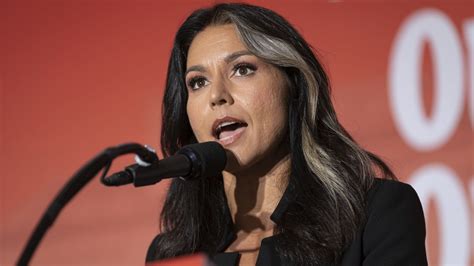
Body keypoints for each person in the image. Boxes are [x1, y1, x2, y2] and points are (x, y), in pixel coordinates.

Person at [146, 3, 427, 265]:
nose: (217, 95)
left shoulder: (376, 214)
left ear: (293, 82)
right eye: (198, 82)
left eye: (242, 69)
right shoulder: (174, 253)